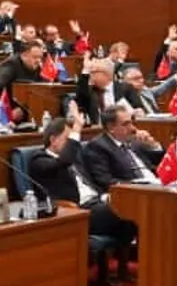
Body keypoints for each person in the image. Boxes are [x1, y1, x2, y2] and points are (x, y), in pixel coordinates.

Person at [28, 104, 137, 255]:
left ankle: (131, 259)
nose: (72, 145)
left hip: (97, 202)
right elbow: (63, 162)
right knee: (124, 209)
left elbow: (92, 181)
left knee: (134, 208)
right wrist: (77, 127)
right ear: (53, 140)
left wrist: (104, 196)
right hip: (76, 211)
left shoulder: (74, 157)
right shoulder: (38, 159)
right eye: (67, 139)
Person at [82, 104, 165, 190]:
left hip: (158, 184)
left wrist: (153, 145)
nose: (133, 128)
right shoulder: (98, 147)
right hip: (137, 191)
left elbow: (161, 164)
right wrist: (137, 184)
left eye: (131, 123)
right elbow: (105, 180)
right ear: (111, 128)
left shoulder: (135, 140)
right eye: (126, 124)